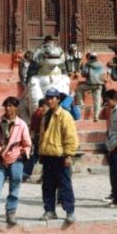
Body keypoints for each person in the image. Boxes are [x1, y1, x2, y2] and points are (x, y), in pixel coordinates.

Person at [0, 96, 32, 227]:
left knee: (15, 186)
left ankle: (11, 212)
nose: (7, 108)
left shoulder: (21, 124)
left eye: (10, 106)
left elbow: (27, 144)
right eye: (6, 106)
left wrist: (21, 154)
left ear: (16, 108)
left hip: (16, 161)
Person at [38, 88, 79, 224]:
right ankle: (50, 210)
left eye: (52, 98)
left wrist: (68, 155)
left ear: (58, 99)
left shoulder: (65, 116)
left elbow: (71, 137)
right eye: (48, 98)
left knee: (65, 185)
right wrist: (41, 152)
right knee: (48, 185)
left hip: (61, 156)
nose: (49, 100)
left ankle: (69, 211)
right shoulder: (46, 115)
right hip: (48, 155)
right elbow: (43, 136)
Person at [23, 98, 46, 181]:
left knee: (33, 157)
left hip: (35, 137)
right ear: (43, 105)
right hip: (41, 138)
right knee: (44, 158)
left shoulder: (34, 114)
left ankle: (25, 173)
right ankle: (44, 177)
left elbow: (32, 128)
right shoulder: (42, 114)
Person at [78, 53, 105, 122]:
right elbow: (104, 73)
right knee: (97, 101)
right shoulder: (101, 64)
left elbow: (84, 74)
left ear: (90, 57)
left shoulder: (87, 64)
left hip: (90, 84)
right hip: (99, 84)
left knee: (78, 89)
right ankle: (96, 117)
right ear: (96, 57)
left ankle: (81, 104)